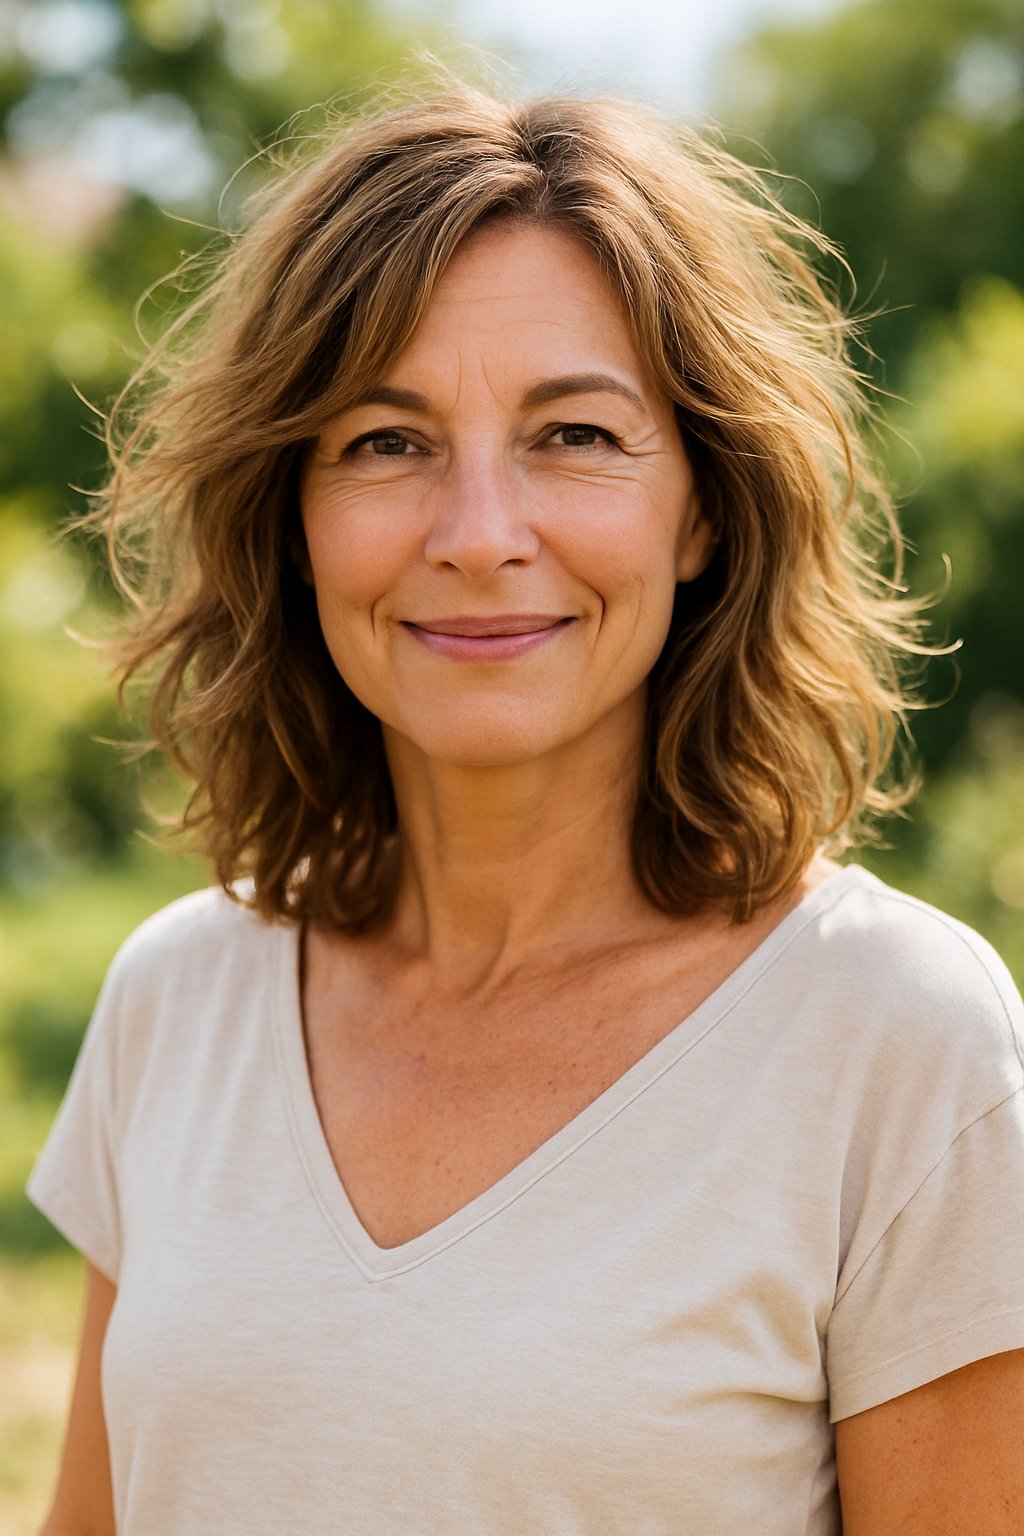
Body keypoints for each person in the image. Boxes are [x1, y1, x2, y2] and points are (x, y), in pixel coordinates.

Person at [29, 76, 1024, 1536]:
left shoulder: (900, 1042)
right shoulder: (176, 1003)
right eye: (384, 441)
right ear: (291, 515)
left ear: (703, 509)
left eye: (576, 435)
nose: (480, 535)